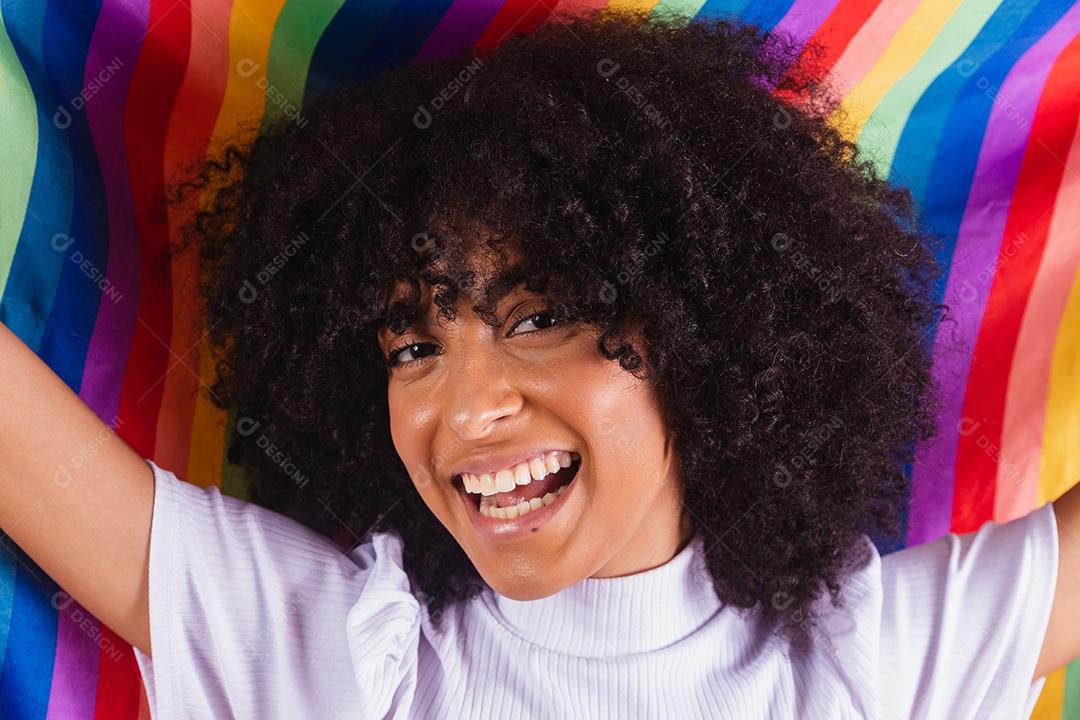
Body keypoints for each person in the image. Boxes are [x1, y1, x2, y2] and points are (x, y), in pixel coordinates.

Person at [0, 8, 1077, 719]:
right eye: (416, 345)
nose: (466, 412)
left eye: (537, 316)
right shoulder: (347, 661)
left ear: (695, 336)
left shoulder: (869, 665)